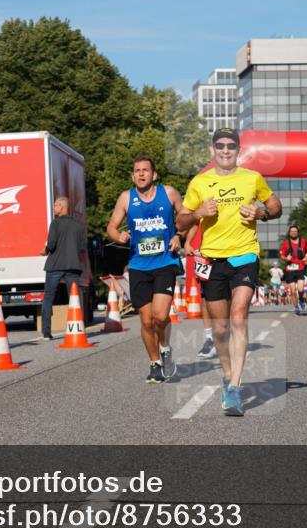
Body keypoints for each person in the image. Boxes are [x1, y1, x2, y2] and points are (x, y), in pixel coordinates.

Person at [177, 128, 282, 416]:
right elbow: (181, 220)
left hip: (244, 255)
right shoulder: (200, 182)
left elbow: (276, 207)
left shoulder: (252, 179)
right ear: (212, 150)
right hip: (212, 259)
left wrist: (260, 213)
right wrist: (199, 213)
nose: (225, 150)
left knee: (238, 315)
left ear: (238, 150)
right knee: (221, 328)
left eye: (231, 146)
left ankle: (235, 388)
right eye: (220, 146)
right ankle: (227, 376)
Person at [106, 155, 184, 383]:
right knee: (146, 320)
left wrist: (179, 236)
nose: (141, 174)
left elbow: (185, 219)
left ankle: (166, 348)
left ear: (154, 175)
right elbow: (111, 227)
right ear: (133, 175)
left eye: (145, 170)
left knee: (160, 316)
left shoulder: (168, 193)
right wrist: (118, 235)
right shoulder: (126, 198)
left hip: (165, 263)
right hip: (138, 265)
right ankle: (155, 363)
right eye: (137, 171)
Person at [41, 196, 87, 341]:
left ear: (62, 207)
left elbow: (52, 243)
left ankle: (46, 332)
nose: (54, 208)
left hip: (55, 265)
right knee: (74, 298)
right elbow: (82, 248)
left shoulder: (55, 224)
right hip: (73, 266)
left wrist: (45, 250)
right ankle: (78, 327)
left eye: (55, 206)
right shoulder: (79, 225)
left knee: (48, 298)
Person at [185, 223, 217, 359]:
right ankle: (210, 339)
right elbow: (195, 222)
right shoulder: (204, 203)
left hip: (229, 252)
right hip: (205, 254)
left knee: (227, 297)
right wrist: (187, 242)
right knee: (205, 297)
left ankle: (224, 335)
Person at [280, 225, 307, 315]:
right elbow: (282, 256)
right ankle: (296, 306)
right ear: (289, 233)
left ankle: (301, 300)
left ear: (298, 232)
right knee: (293, 290)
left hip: (300, 267)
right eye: (292, 231)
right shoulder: (286, 243)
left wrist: (306, 257)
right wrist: (286, 258)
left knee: (300, 290)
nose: (293, 232)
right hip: (290, 269)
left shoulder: (303, 241)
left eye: (295, 231)